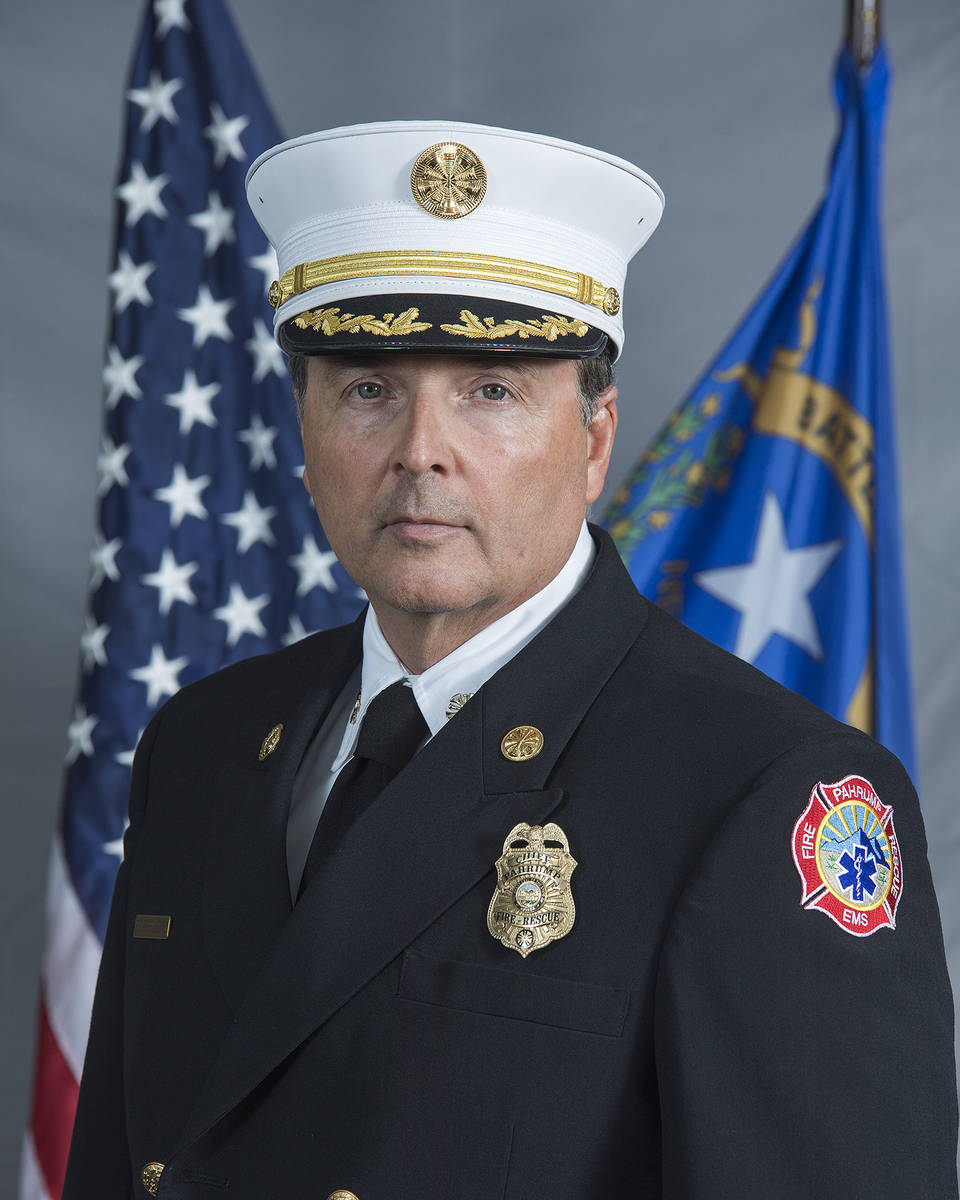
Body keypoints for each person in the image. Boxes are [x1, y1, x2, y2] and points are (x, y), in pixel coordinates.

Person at [64, 122, 958, 1200]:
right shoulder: (201, 743)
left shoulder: (760, 795)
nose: (419, 453)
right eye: (367, 389)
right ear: (301, 426)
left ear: (593, 440)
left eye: (491, 390)